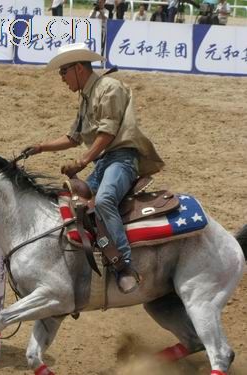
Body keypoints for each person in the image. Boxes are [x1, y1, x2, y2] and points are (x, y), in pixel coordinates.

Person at [23, 43, 164, 294]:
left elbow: (107, 133)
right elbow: (74, 137)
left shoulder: (109, 88)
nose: (62, 78)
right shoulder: (87, 96)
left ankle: (125, 266)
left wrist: (82, 161)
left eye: (63, 71)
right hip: (104, 162)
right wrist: (40, 147)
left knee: (104, 201)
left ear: (78, 68)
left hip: (121, 159)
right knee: (75, 203)